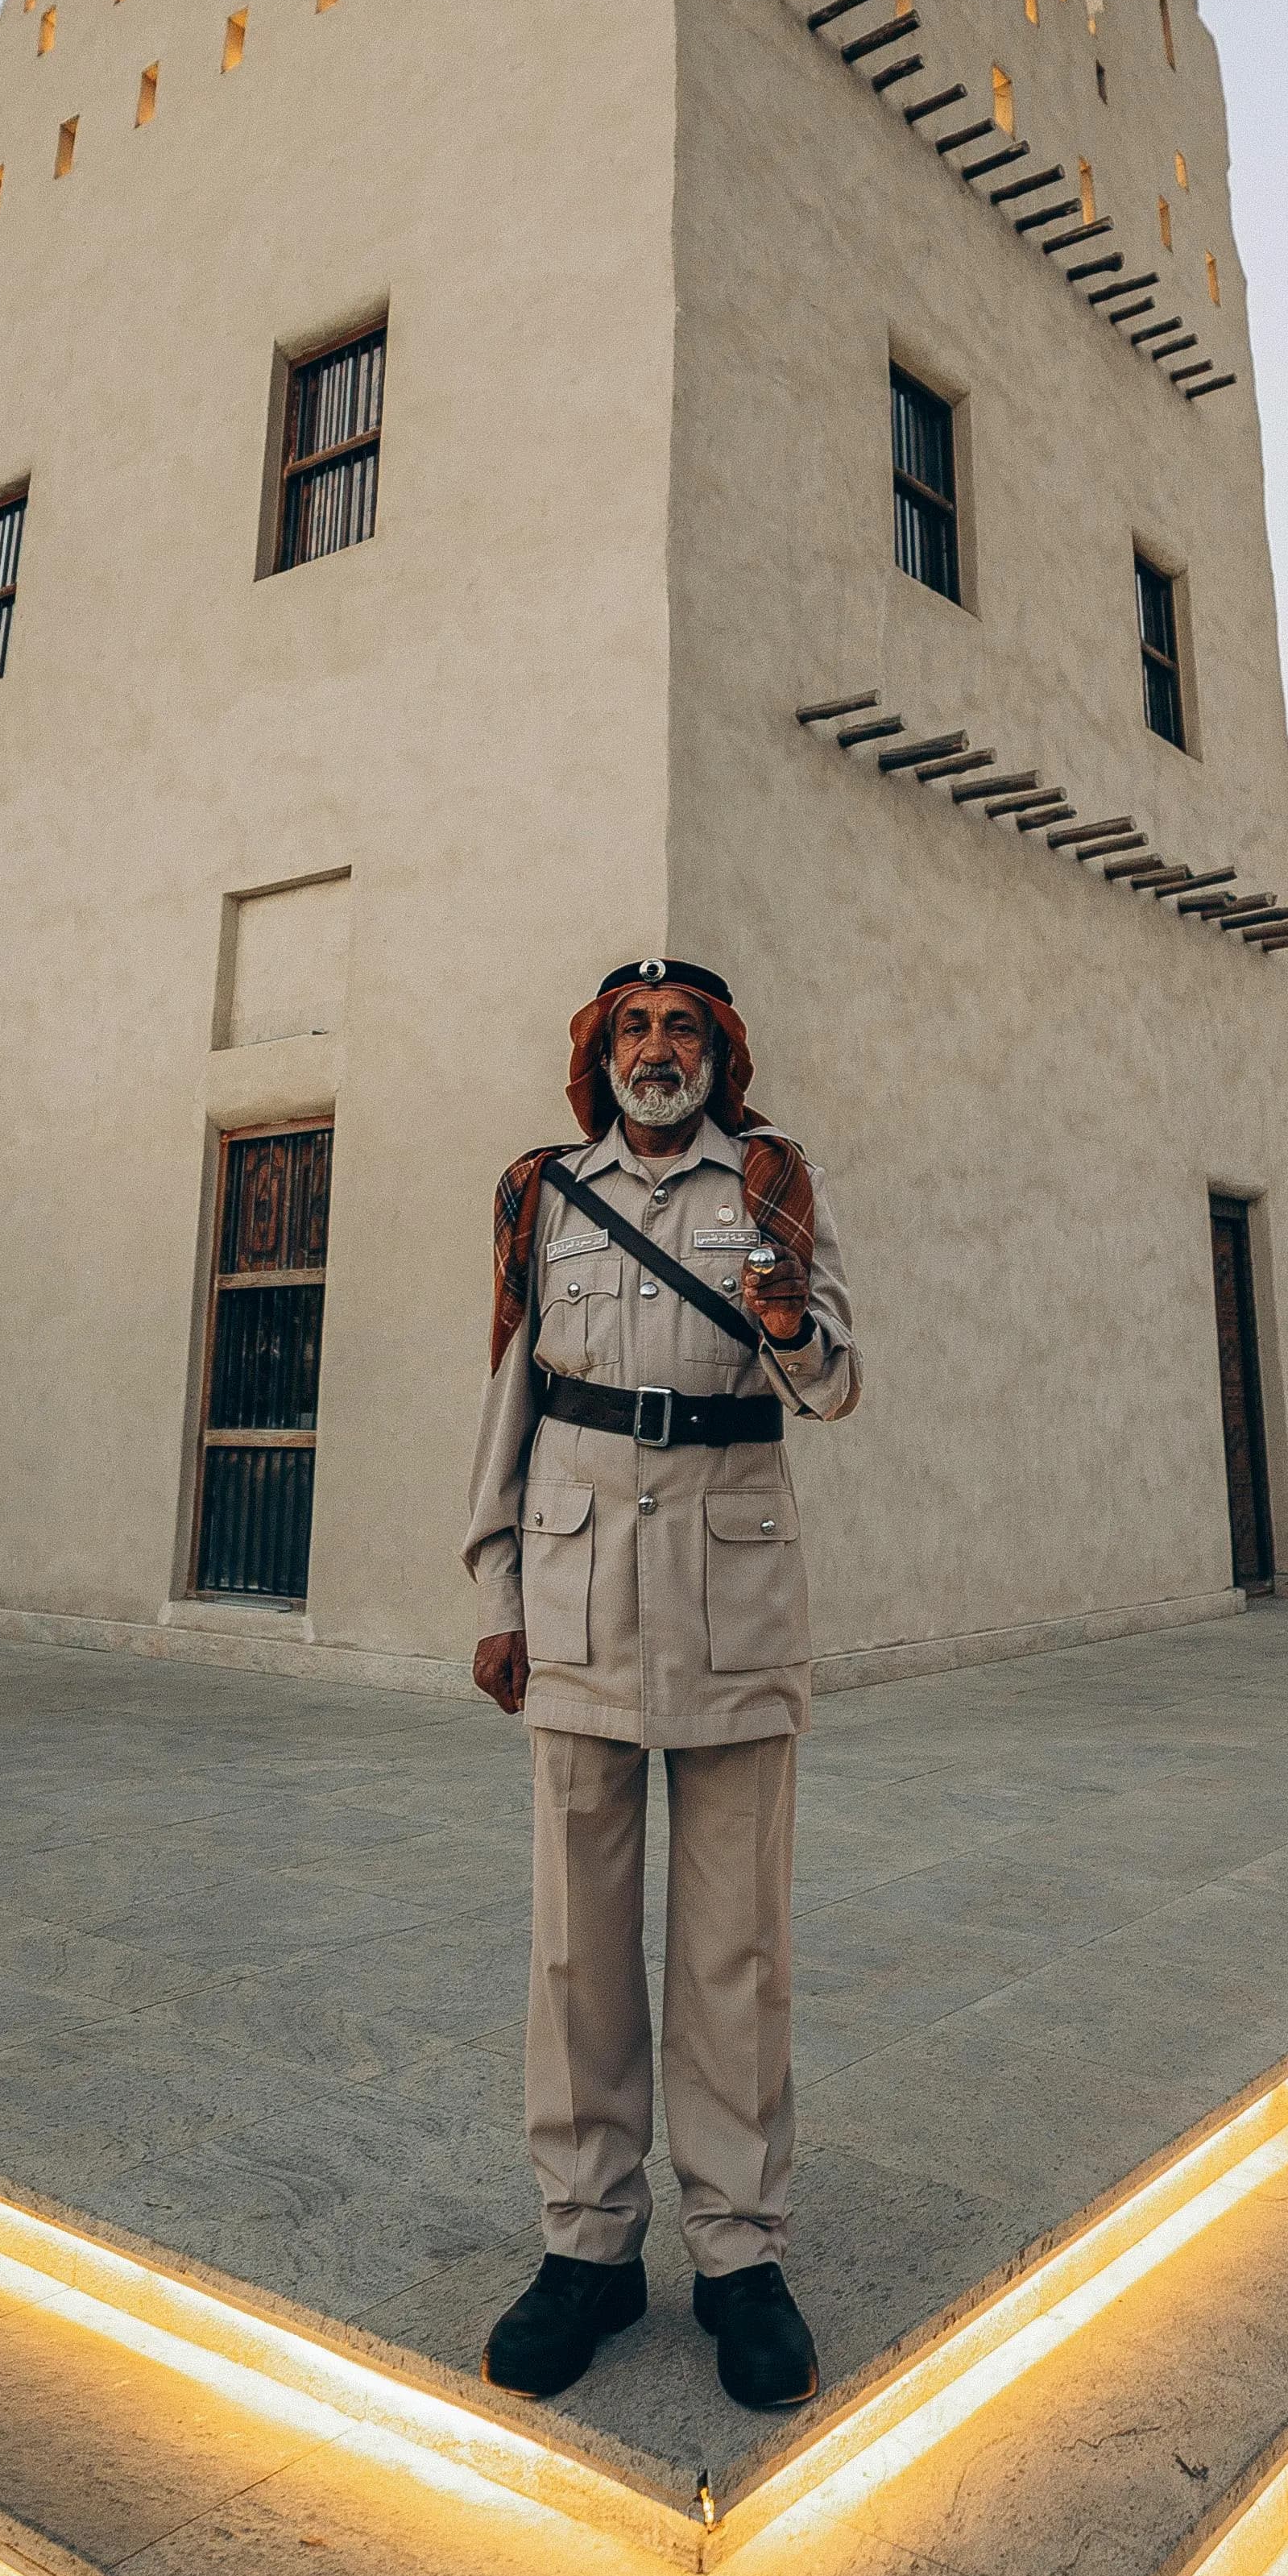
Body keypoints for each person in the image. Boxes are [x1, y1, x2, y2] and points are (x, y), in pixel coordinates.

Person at [466, 959, 859, 2412]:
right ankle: (588, 2247)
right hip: (573, 1611)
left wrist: (790, 1323)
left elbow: (835, 1385)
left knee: (733, 1951)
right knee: (578, 1949)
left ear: (718, 1053)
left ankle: (741, 2255)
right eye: (631, 1028)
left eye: (680, 1027)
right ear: (599, 1056)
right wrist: (497, 1590)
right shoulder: (543, 1197)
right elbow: (510, 1399)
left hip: (734, 1609)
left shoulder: (770, 1187)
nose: (655, 1047)